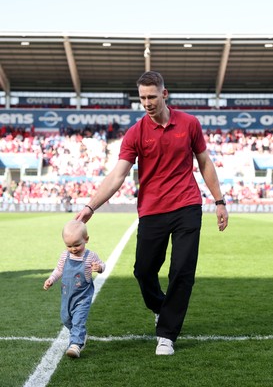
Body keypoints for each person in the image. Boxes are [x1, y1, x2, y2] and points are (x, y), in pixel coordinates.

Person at [75, 71, 228, 355]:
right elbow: (118, 175)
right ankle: (161, 308)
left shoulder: (189, 124)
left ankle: (167, 335)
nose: (147, 102)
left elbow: (205, 162)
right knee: (143, 271)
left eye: (152, 97)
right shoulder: (135, 133)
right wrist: (90, 206)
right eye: (142, 98)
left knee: (182, 271)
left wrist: (219, 201)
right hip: (152, 209)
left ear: (164, 94)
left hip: (187, 205)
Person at [43, 219, 105, 358]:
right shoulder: (65, 255)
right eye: (69, 246)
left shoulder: (90, 256)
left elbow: (102, 264)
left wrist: (99, 267)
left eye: (77, 245)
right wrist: (51, 279)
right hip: (67, 295)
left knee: (78, 319)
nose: (73, 249)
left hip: (83, 297)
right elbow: (59, 270)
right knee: (66, 319)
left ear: (86, 239)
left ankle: (76, 344)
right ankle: (80, 333)